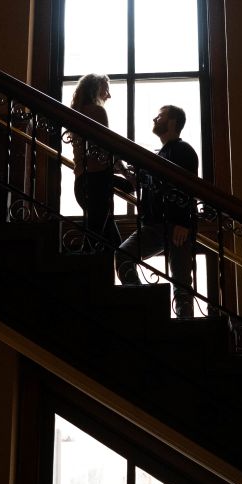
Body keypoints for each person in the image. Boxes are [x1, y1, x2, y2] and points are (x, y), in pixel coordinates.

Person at [116, 104, 199, 319]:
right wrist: (123, 170)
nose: (155, 119)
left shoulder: (184, 151)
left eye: (160, 116)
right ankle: (144, 303)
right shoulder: (157, 155)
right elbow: (140, 185)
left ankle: (186, 331)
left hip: (176, 226)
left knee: (181, 284)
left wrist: (184, 222)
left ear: (172, 122)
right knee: (123, 255)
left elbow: (190, 188)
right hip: (153, 225)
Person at [69, 73, 121, 250]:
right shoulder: (97, 111)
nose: (109, 95)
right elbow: (107, 147)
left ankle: (128, 277)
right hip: (97, 183)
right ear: (95, 89)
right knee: (95, 239)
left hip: (82, 183)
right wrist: (126, 172)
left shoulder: (77, 113)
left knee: (109, 239)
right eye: (106, 89)